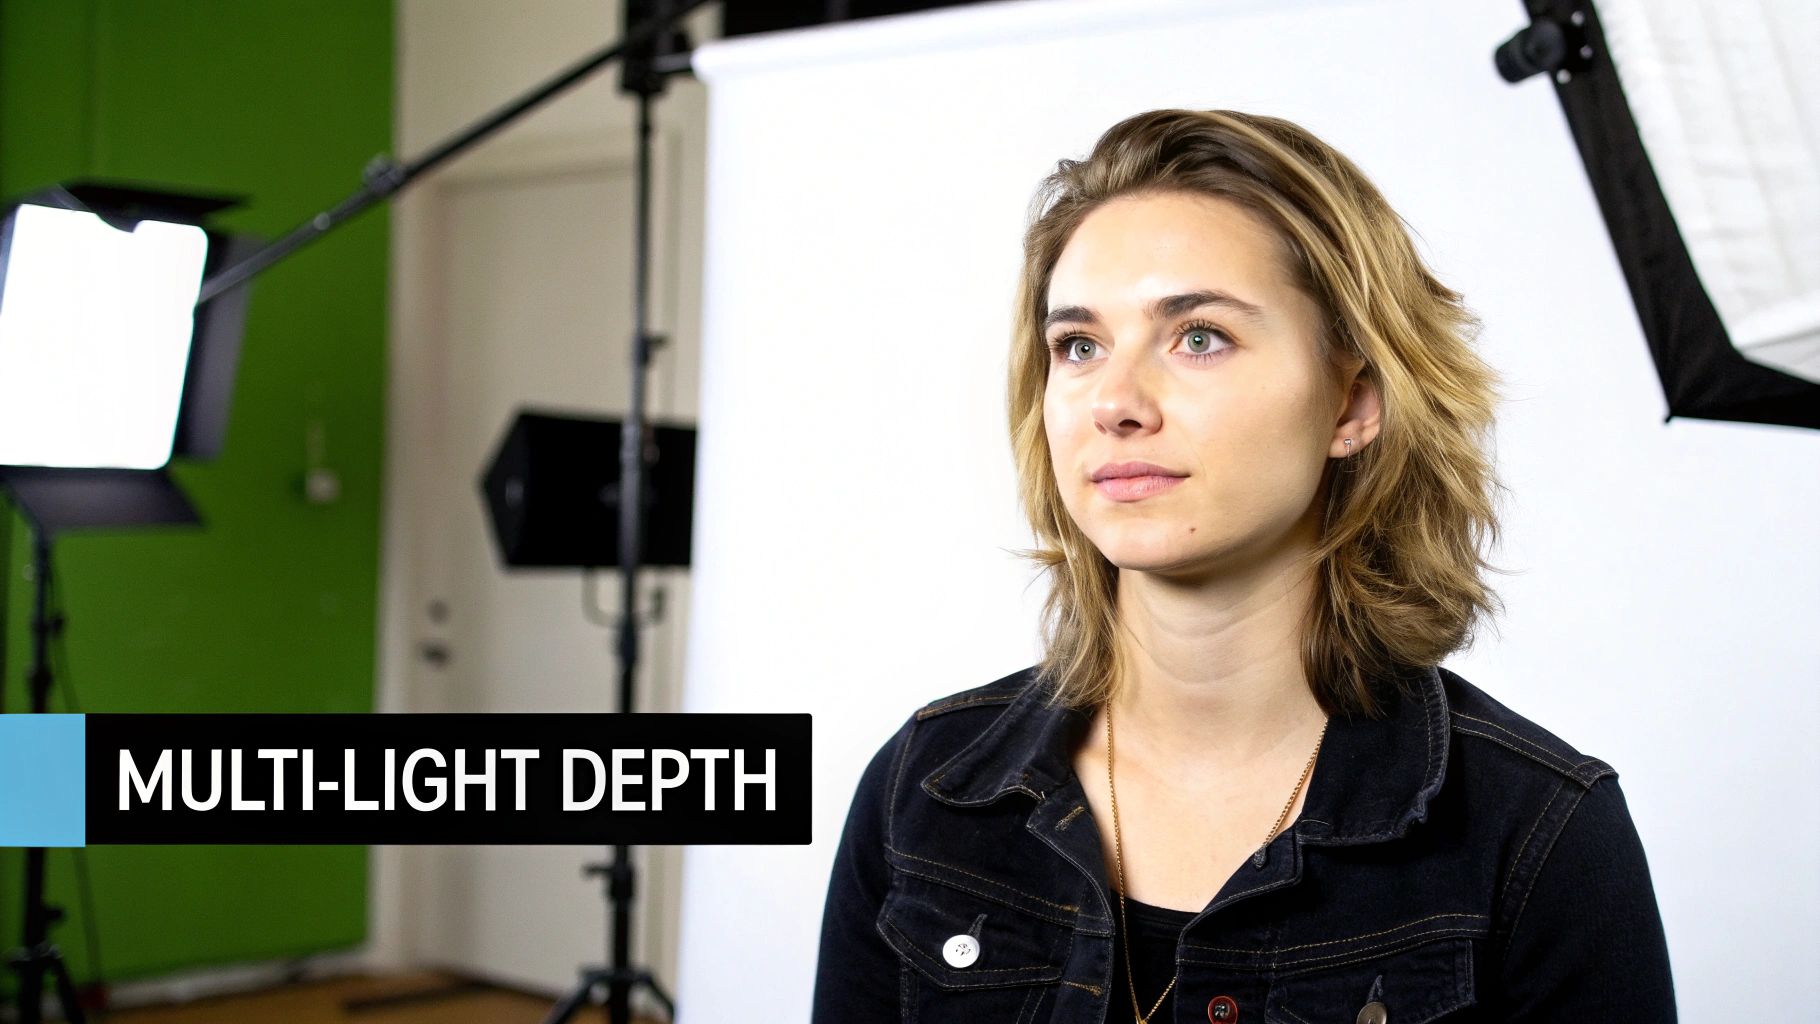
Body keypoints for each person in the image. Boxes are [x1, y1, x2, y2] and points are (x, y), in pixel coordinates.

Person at [810, 108, 1676, 1023]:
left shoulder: (1536, 832)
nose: (1115, 402)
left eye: (1198, 338)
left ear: (1353, 400)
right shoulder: (928, 792)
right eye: (1079, 346)